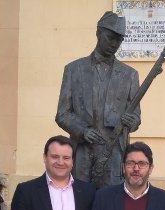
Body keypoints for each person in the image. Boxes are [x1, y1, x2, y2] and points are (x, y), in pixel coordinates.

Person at [56, 11, 141, 188]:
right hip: (82, 154)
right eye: (111, 37)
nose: (114, 44)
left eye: (119, 40)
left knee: (111, 208)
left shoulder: (129, 75)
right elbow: (62, 113)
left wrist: (131, 121)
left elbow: (136, 119)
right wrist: (82, 130)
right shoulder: (74, 70)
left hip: (115, 155)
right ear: (98, 32)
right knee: (80, 207)